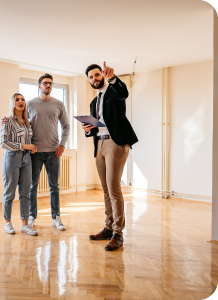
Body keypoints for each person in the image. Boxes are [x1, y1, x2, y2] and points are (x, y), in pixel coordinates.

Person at [1, 74, 70, 232]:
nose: (48, 86)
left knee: (54, 186)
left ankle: (56, 218)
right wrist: (4, 121)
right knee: (31, 187)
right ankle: (30, 218)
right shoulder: (30, 104)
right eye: (45, 83)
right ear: (39, 86)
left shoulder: (59, 104)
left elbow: (66, 126)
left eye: (50, 84)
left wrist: (62, 145)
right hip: (34, 153)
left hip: (54, 152)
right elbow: (18, 121)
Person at [82, 62, 138, 251]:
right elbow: (94, 127)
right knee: (105, 189)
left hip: (116, 143)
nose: (94, 79)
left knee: (114, 189)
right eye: (91, 77)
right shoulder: (93, 102)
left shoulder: (114, 91)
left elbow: (124, 93)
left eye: (97, 75)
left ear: (103, 75)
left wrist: (114, 79)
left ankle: (118, 234)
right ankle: (108, 227)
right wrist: (87, 129)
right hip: (100, 144)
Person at [0, 93, 38, 236]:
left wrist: (31, 148)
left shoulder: (28, 123)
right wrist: (25, 146)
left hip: (27, 160)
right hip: (11, 159)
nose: (20, 101)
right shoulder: (7, 121)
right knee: (9, 193)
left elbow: (30, 142)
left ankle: (25, 225)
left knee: (25, 193)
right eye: (17, 100)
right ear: (13, 103)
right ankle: (8, 223)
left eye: (22, 99)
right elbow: (4, 143)